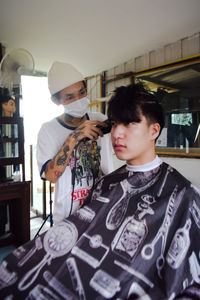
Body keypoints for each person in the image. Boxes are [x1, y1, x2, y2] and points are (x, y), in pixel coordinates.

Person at [1, 82, 200, 299]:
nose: (117, 134)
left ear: (154, 130)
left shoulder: (185, 195)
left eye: (129, 123)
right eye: (114, 124)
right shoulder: (107, 184)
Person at [36, 61, 114, 224]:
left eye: (82, 92)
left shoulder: (98, 119)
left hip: (101, 210)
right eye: (70, 97)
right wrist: (74, 137)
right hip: (67, 217)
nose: (79, 100)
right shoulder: (48, 130)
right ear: (56, 101)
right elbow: (51, 176)